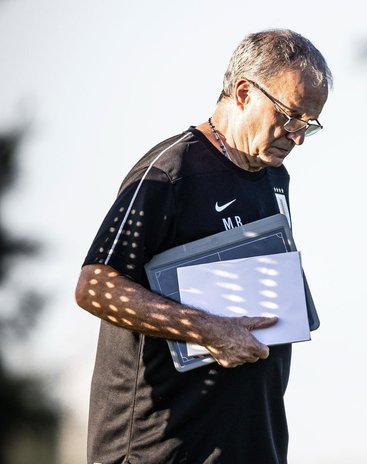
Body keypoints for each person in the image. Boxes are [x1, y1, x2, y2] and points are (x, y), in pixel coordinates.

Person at [74, 29, 331, 464]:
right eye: (291, 116)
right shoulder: (170, 172)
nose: (298, 136)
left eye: (309, 124)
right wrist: (206, 329)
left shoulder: (275, 177)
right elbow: (94, 287)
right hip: (161, 450)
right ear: (244, 93)